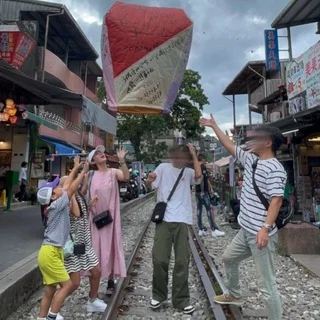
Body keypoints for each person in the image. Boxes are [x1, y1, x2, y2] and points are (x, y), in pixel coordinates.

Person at [200, 115, 286, 320]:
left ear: (268, 142)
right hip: (246, 230)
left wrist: (265, 228)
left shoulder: (275, 168)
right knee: (229, 258)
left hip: (260, 234)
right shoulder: (252, 160)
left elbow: (276, 201)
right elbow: (229, 145)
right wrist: (214, 125)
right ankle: (235, 294)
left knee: (266, 284)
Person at [146, 144, 202, 315]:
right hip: (164, 220)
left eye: (181, 156)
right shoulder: (163, 168)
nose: (177, 159)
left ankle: (181, 299)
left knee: (181, 262)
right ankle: (158, 295)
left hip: (182, 220)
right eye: (175, 156)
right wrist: (149, 179)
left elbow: (199, 177)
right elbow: (151, 185)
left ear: (186, 158)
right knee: (159, 259)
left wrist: (193, 154)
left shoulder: (189, 172)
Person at [36, 157, 88, 320]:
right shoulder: (57, 205)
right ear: (53, 196)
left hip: (51, 251)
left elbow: (66, 187)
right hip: (50, 252)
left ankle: (42, 318)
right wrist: (82, 173)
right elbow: (71, 188)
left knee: (50, 288)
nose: (60, 187)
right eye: (57, 187)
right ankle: (52, 316)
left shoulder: (54, 204)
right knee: (67, 285)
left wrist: (75, 167)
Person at [82, 145, 129, 291]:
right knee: (94, 249)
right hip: (94, 218)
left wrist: (122, 161)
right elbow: (81, 195)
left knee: (111, 246)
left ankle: (110, 279)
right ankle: (93, 288)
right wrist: (89, 203)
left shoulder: (113, 172)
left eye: (102, 152)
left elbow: (126, 177)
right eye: (97, 153)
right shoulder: (90, 175)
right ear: (93, 161)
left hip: (110, 218)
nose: (101, 154)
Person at [58, 177, 107, 314]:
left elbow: (81, 214)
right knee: (74, 283)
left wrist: (89, 205)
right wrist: (71, 192)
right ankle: (52, 309)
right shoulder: (65, 198)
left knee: (96, 271)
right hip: (73, 246)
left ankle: (93, 300)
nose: (76, 183)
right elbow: (76, 213)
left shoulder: (78, 195)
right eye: (72, 181)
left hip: (84, 243)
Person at [196, 154, 225, 237]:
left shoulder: (196, 167)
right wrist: (203, 190)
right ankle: (213, 229)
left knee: (199, 211)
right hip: (203, 192)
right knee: (209, 209)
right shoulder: (202, 168)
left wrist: (210, 187)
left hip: (198, 192)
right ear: (202, 159)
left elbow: (205, 179)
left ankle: (200, 229)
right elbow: (202, 179)